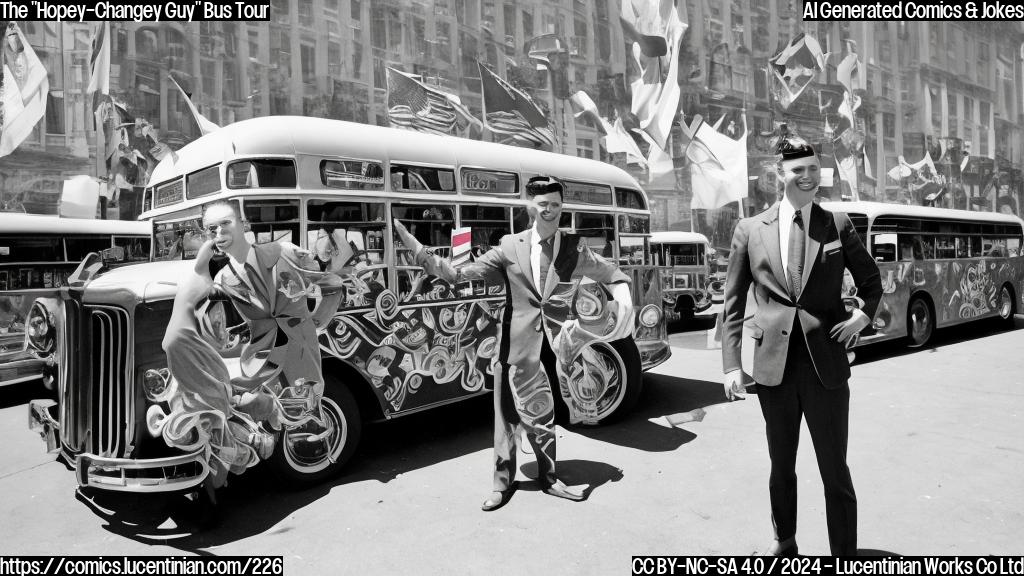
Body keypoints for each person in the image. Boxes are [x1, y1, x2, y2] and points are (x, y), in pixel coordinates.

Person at [393, 176, 634, 511]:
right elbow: (459, 275)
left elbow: (612, 273)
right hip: (513, 347)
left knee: (544, 417)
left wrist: (624, 298)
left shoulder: (573, 247)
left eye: (556, 204)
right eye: (543, 204)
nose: (550, 210)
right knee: (505, 418)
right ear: (528, 206)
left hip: (556, 349)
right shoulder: (509, 247)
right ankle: (501, 484)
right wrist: (418, 250)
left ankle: (550, 478)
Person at [720, 134, 882, 556]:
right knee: (781, 467)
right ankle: (785, 541)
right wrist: (731, 365)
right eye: (798, 171)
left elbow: (871, 282)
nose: (808, 177)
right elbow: (732, 303)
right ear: (780, 175)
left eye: (813, 169)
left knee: (835, 470)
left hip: (825, 368)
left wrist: (862, 317)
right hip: (773, 371)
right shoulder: (750, 229)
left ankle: (845, 554)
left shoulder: (837, 224)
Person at [158, 201, 347, 501]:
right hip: (260, 352)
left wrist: (317, 322)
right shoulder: (223, 279)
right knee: (221, 398)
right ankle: (223, 470)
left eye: (226, 223)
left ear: (243, 223)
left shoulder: (285, 252)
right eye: (212, 229)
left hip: (299, 346)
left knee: (304, 407)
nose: (219, 232)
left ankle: (260, 450)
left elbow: (333, 284)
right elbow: (213, 322)